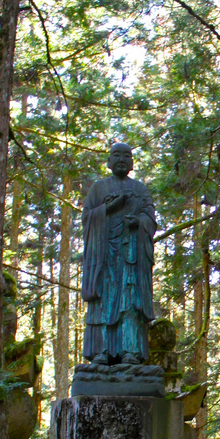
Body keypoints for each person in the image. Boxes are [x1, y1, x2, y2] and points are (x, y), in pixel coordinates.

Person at [81, 142, 156, 365]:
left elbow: (150, 218)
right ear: (109, 161)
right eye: (116, 155)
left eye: (126, 156)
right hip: (104, 255)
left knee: (130, 301)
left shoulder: (141, 189)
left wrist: (138, 222)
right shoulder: (98, 188)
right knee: (104, 300)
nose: (121, 159)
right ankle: (101, 351)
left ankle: (130, 351)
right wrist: (110, 208)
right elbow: (87, 218)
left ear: (132, 162)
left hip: (130, 254)